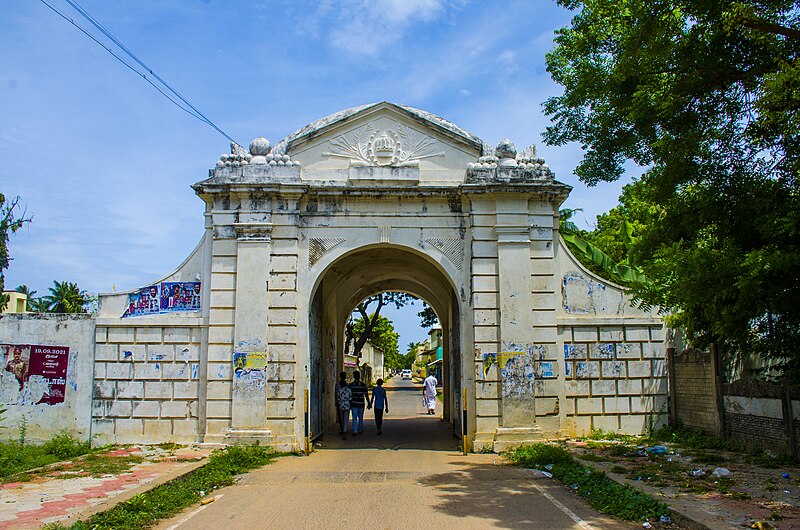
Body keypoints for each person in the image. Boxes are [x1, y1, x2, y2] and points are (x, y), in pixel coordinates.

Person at [349, 371, 369, 436]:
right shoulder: (363, 385)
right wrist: (369, 403)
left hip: (354, 404)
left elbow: (349, 395)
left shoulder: (351, 385)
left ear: (354, 376)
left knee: (354, 417)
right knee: (360, 417)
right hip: (361, 403)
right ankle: (360, 429)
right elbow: (366, 395)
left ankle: (355, 431)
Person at [334, 372, 351, 440]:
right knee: (346, 418)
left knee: (341, 418)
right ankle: (344, 431)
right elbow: (350, 397)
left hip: (340, 404)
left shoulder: (337, 385)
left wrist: (336, 401)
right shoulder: (348, 386)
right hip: (347, 404)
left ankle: (342, 430)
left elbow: (336, 395)